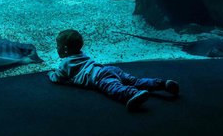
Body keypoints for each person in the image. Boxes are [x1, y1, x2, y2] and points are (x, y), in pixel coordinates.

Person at [48, 29, 179, 112]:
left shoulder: (65, 63)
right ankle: (162, 84)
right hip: (109, 69)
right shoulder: (81, 54)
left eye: (57, 46)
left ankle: (133, 94)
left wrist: (51, 74)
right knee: (135, 80)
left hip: (99, 78)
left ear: (65, 49)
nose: (56, 48)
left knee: (114, 88)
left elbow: (58, 78)